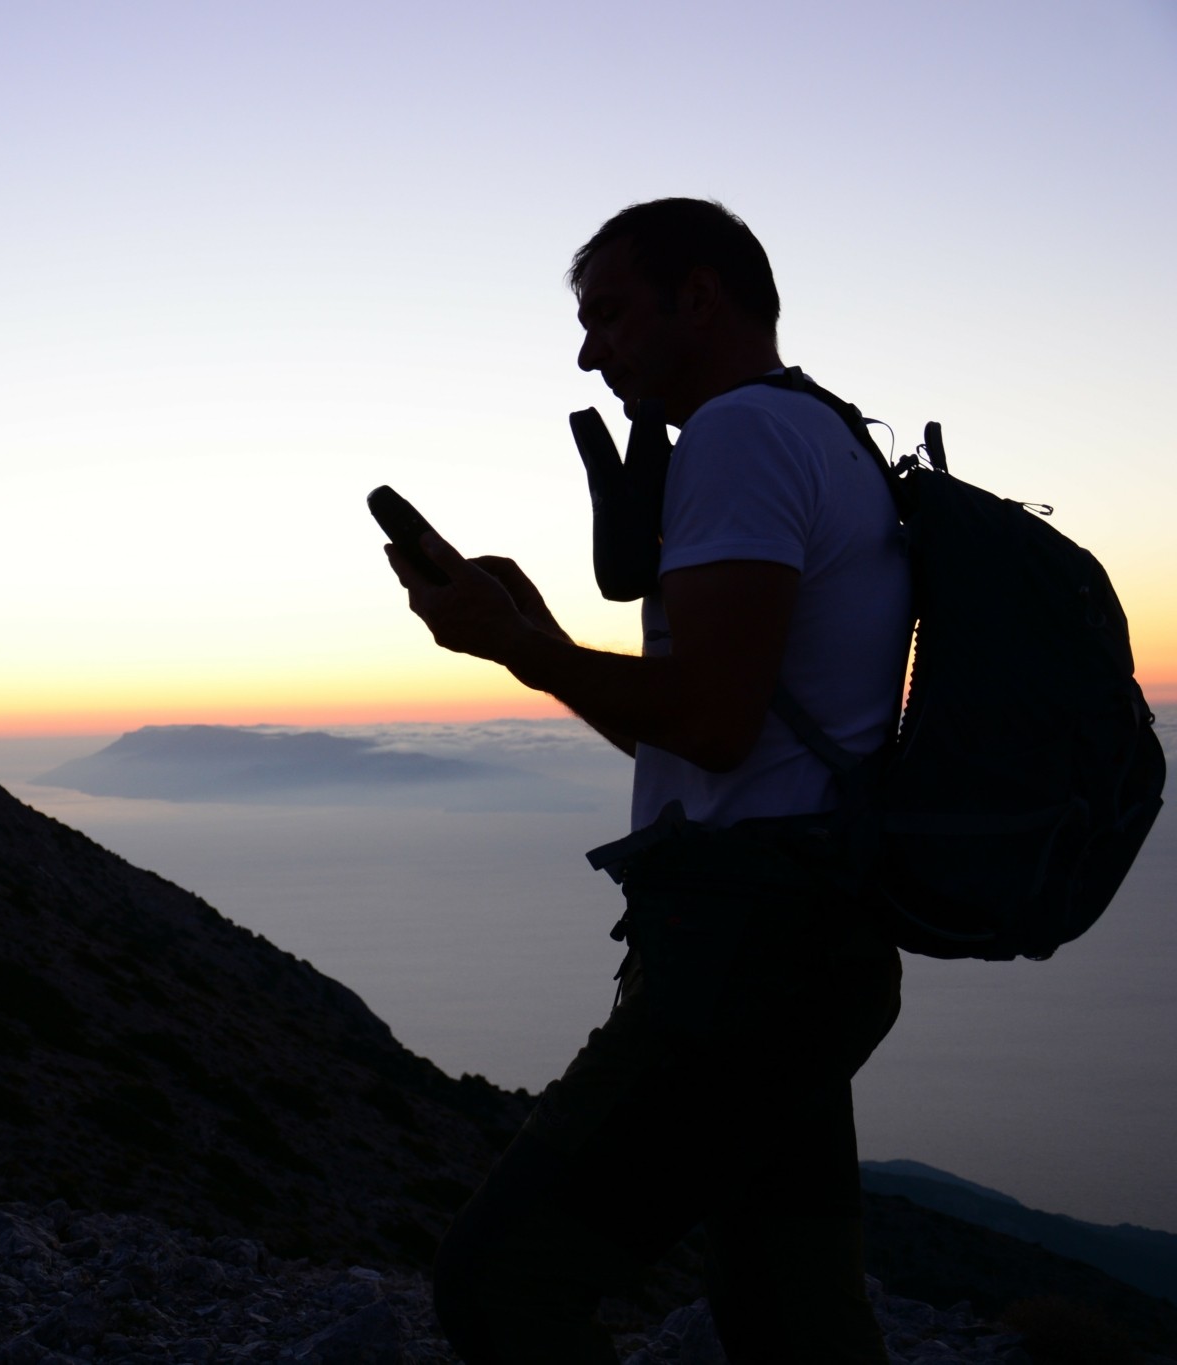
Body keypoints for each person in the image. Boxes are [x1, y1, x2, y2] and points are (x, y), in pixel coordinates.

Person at [389, 198, 911, 1363]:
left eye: (608, 314)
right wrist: (539, 636)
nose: (587, 351)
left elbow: (713, 726)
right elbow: (716, 737)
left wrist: (517, 647)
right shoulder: (819, 431)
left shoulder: (734, 436)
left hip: (744, 957)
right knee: (791, 1307)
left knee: (500, 1281)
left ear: (701, 297)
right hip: (813, 937)